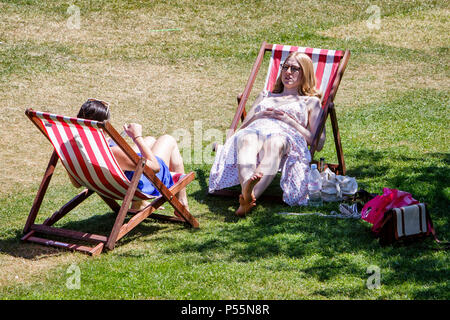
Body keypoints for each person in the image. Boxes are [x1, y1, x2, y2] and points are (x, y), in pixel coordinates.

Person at [209, 52, 326, 216]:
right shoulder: (266, 95)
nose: (288, 72)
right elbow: (240, 130)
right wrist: (258, 115)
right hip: (255, 130)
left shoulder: (310, 102)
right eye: (285, 67)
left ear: (305, 73)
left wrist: (289, 120)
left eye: (294, 69)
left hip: (284, 135)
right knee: (246, 138)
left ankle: (248, 195)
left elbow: (318, 143)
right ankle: (248, 196)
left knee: (275, 143)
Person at [71, 98, 189, 211]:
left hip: (106, 185)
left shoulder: (73, 147)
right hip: (141, 185)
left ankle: (139, 205)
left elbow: (76, 183)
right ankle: (182, 202)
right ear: (104, 125)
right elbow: (155, 167)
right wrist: (137, 136)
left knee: (150, 140)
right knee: (168, 139)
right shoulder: (110, 152)